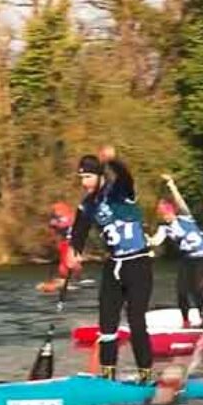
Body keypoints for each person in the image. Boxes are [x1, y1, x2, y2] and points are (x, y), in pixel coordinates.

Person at [69, 147, 153, 379]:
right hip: (113, 266)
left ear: (100, 175)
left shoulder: (119, 192)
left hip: (137, 264)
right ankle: (108, 375)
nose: (85, 182)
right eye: (82, 178)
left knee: (136, 321)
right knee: (107, 324)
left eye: (88, 177)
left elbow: (126, 175)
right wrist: (74, 252)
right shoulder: (87, 205)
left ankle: (145, 374)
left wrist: (114, 161)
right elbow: (79, 232)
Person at [149, 176, 203, 330]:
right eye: (162, 214)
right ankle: (185, 321)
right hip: (188, 259)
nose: (164, 216)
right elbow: (156, 241)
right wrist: (146, 240)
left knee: (197, 289)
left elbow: (179, 201)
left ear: (171, 211)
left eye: (166, 212)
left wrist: (172, 185)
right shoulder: (164, 228)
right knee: (181, 290)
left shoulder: (185, 218)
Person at [47, 202, 76, 285]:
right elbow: (53, 227)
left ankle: (66, 278)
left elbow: (66, 224)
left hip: (69, 241)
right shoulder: (57, 218)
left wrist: (56, 224)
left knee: (66, 261)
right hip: (63, 241)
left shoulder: (69, 217)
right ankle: (65, 277)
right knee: (62, 260)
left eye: (56, 210)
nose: (54, 212)